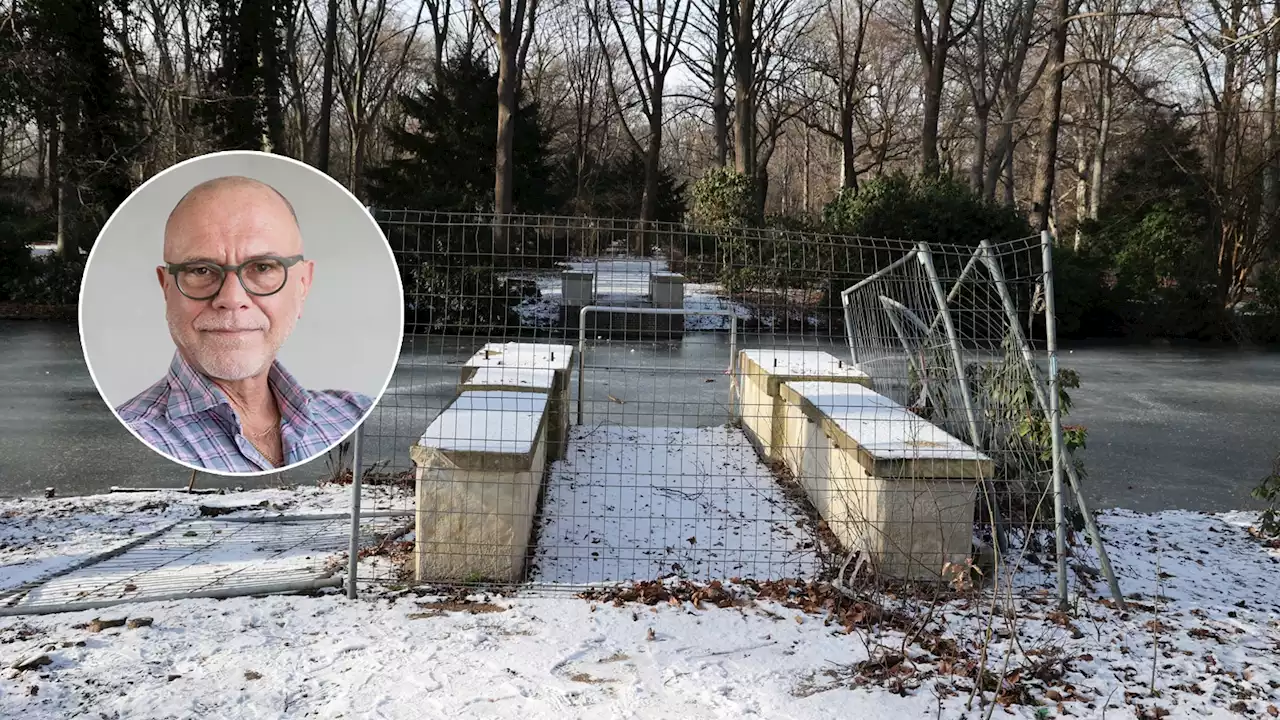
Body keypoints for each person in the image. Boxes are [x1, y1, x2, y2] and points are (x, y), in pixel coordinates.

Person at [116, 175, 373, 473]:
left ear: (303, 284)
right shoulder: (139, 436)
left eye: (262, 267)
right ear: (166, 288)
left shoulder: (354, 416)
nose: (232, 298)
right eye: (201, 270)